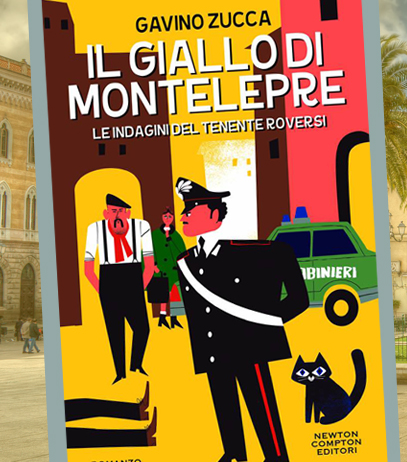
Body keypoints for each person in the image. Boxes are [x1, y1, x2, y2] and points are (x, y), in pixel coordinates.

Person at [174, 177, 308, 462]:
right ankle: (235, 453)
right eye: (184, 210)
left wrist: (268, 325)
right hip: (212, 350)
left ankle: (275, 456)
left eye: (191, 210)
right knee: (223, 403)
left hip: (249, 348)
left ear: (213, 215)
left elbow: (299, 298)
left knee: (260, 405)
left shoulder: (251, 253)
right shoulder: (185, 261)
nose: (183, 216)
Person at [83, 194, 156, 384]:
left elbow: (149, 263)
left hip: (133, 279)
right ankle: (120, 373)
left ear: (128, 213)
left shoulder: (142, 226)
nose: (117, 216)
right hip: (109, 278)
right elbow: (88, 267)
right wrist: (103, 292)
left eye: (121, 212)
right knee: (115, 332)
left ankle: (136, 365)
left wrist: (140, 288)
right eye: (114, 211)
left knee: (142, 329)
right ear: (106, 213)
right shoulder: (95, 229)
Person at [149, 207, 187, 329]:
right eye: (165, 216)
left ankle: (174, 318)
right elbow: (150, 250)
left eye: (170, 217)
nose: (167, 218)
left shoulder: (176, 235)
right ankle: (162, 317)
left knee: (175, 294)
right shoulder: (155, 235)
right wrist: (153, 265)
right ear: (162, 217)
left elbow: (182, 250)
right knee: (162, 295)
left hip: (174, 270)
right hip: (160, 270)